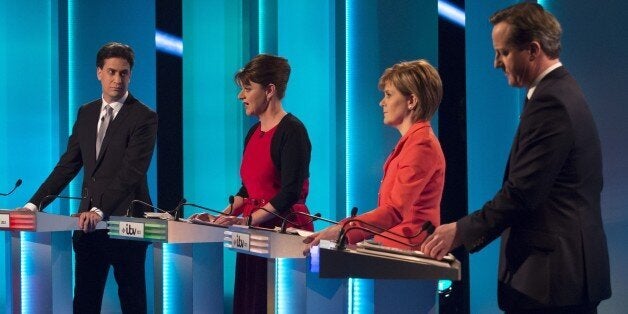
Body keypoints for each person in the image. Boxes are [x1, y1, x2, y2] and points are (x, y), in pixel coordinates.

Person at [421, 3, 611, 313]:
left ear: (534, 50)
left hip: (553, 280)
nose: (496, 63)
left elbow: (523, 193)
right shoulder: (559, 92)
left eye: (504, 52)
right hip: (563, 275)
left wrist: (460, 230)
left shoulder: (552, 101)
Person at [22, 42, 157, 313]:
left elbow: (131, 171)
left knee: (133, 303)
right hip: (89, 227)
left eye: (124, 73)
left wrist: (99, 208)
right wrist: (33, 206)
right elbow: (68, 165)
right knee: (84, 301)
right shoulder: (86, 112)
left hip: (126, 224)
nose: (118, 79)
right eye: (111, 72)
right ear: (99, 73)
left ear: (130, 75)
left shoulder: (144, 117)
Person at [206, 54, 313, 313]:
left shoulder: (293, 131)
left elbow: (289, 193)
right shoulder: (253, 132)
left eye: (247, 88)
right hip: (252, 234)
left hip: (281, 237)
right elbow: (247, 190)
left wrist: (248, 221)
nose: (240, 96)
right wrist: (219, 217)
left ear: (269, 90)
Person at [304, 59, 445, 252]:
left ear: (411, 101)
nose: (382, 102)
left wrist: (343, 230)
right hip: (394, 250)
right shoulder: (413, 141)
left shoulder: (421, 144)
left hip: (408, 255)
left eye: (388, 95)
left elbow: (394, 211)